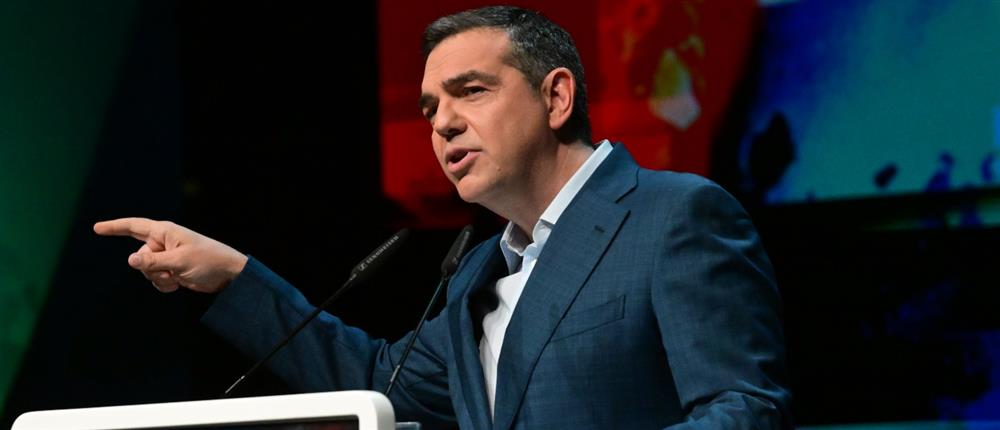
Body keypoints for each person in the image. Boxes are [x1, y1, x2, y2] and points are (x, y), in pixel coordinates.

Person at [95, 6, 791, 429]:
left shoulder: (674, 215)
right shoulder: (476, 274)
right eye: (430, 109)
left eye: (471, 92)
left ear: (555, 98)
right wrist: (232, 275)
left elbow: (745, 410)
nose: (443, 124)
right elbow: (378, 384)